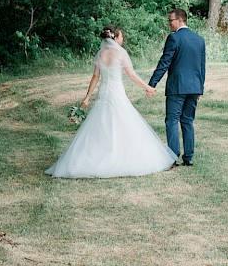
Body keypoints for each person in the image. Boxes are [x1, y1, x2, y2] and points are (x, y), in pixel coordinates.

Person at [46, 25, 177, 179]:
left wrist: (87, 98)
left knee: (102, 124)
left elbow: (95, 77)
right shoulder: (121, 53)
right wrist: (148, 87)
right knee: (123, 123)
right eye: (121, 36)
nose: (123, 39)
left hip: (104, 94)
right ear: (115, 37)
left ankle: (98, 155)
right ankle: (120, 157)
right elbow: (132, 75)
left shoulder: (100, 54)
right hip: (117, 93)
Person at [148, 9, 206, 166]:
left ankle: (173, 157)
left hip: (177, 87)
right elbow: (201, 67)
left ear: (180, 20)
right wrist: (200, 87)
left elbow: (164, 62)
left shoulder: (174, 38)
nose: (169, 24)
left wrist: (152, 83)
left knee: (172, 120)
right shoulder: (199, 39)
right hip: (194, 87)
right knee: (187, 121)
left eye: (171, 20)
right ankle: (189, 157)